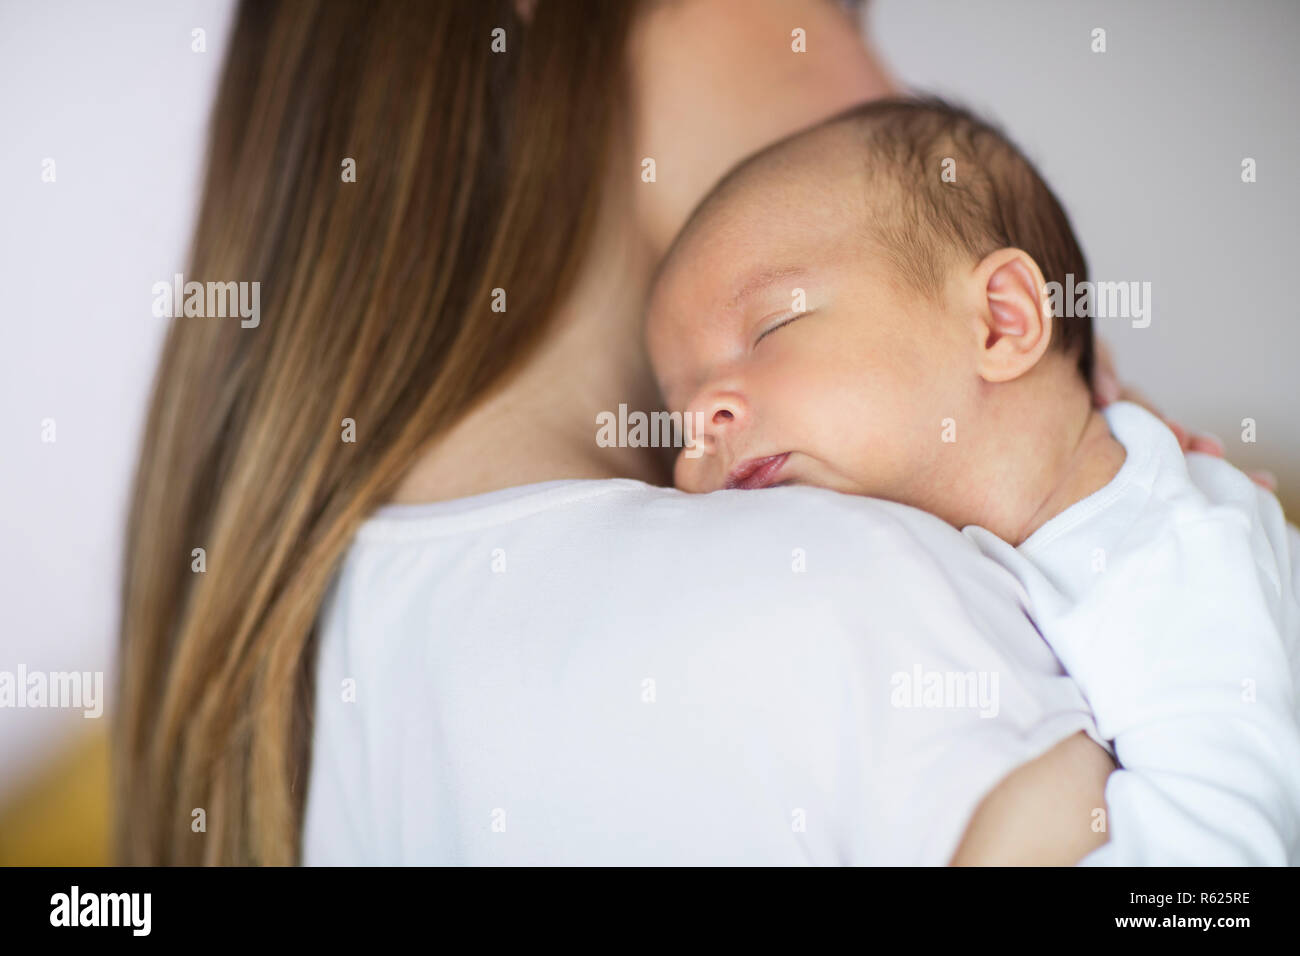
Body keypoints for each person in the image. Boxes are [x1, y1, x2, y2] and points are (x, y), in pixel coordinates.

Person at [117, 0, 1241, 865]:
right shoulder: (850, 592)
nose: (883, 85)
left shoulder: (320, 673)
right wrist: (1156, 540)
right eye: (838, 12)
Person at [647, 96, 1300, 862]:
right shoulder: (978, 558)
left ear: (1000, 322)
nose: (701, 419)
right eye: (676, 408)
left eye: (770, 327)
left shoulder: (1168, 553)